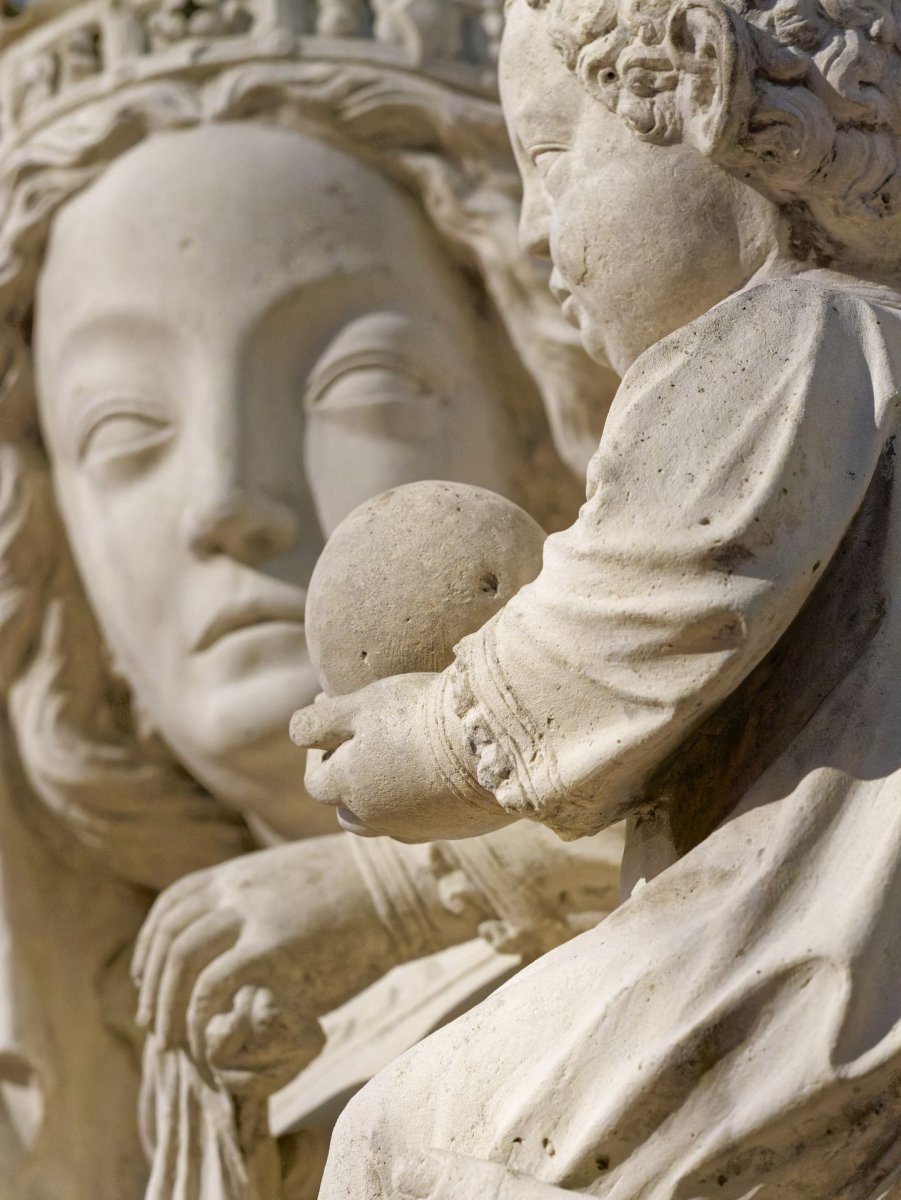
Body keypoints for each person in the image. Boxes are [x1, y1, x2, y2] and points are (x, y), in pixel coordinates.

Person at [0, 2, 622, 1196]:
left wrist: (405, 890)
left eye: (358, 380)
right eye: (125, 428)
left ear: (550, 422)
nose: (230, 496)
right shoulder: (132, 1097)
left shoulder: (769, 864)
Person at [295, 0, 901, 1196]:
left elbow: (642, 619)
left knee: (409, 1141)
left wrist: (428, 742)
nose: (531, 229)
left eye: (552, 160)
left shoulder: (791, 337)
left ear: (693, 92)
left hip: (795, 955)